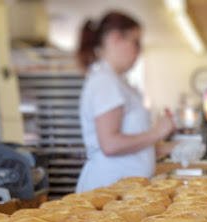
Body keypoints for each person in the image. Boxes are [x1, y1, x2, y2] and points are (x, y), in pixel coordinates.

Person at [75, 12, 175, 192]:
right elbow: (110, 145)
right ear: (116, 38)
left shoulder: (118, 82)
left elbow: (132, 143)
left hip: (123, 192)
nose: (139, 51)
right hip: (107, 191)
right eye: (136, 42)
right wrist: (157, 133)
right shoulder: (105, 82)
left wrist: (171, 149)